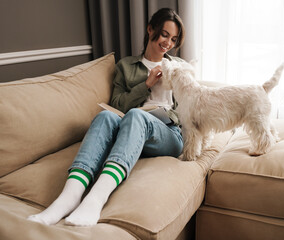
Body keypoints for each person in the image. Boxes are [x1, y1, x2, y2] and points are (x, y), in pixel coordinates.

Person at [27, 8, 185, 227]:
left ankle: (96, 199)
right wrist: (145, 85)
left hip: (167, 134)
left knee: (137, 115)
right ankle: (68, 198)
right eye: (165, 34)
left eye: (174, 39)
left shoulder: (180, 68)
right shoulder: (126, 66)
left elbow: (189, 108)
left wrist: (165, 114)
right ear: (151, 30)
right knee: (105, 117)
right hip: (131, 132)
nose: (168, 42)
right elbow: (117, 104)